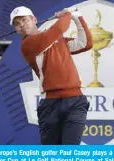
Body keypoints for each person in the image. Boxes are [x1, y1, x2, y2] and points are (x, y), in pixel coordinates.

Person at [10, 6, 93, 145]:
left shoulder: (58, 40)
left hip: (75, 101)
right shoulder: (27, 45)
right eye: (17, 24)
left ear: (34, 19)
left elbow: (85, 43)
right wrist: (67, 14)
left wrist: (78, 17)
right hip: (50, 104)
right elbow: (58, 29)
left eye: (24, 20)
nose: (21, 25)